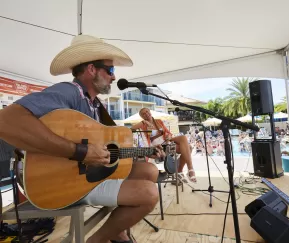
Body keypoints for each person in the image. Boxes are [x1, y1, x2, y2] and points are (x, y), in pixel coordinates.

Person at [0, 35, 166, 243]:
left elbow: (107, 151)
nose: (114, 77)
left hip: (91, 175)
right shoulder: (70, 92)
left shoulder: (95, 105)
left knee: (149, 170)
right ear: (91, 69)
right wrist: (81, 152)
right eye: (111, 70)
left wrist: (146, 153)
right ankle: (97, 240)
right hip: (66, 183)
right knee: (149, 193)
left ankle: (116, 230)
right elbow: (5, 121)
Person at [131, 108, 197, 183]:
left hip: (166, 141)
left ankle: (187, 169)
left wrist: (168, 136)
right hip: (159, 147)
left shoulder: (158, 121)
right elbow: (131, 129)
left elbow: (167, 132)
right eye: (143, 114)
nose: (146, 114)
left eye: (147, 111)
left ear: (150, 112)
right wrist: (143, 123)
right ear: (142, 117)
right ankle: (182, 171)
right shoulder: (143, 124)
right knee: (189, 148)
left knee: (183, 137)